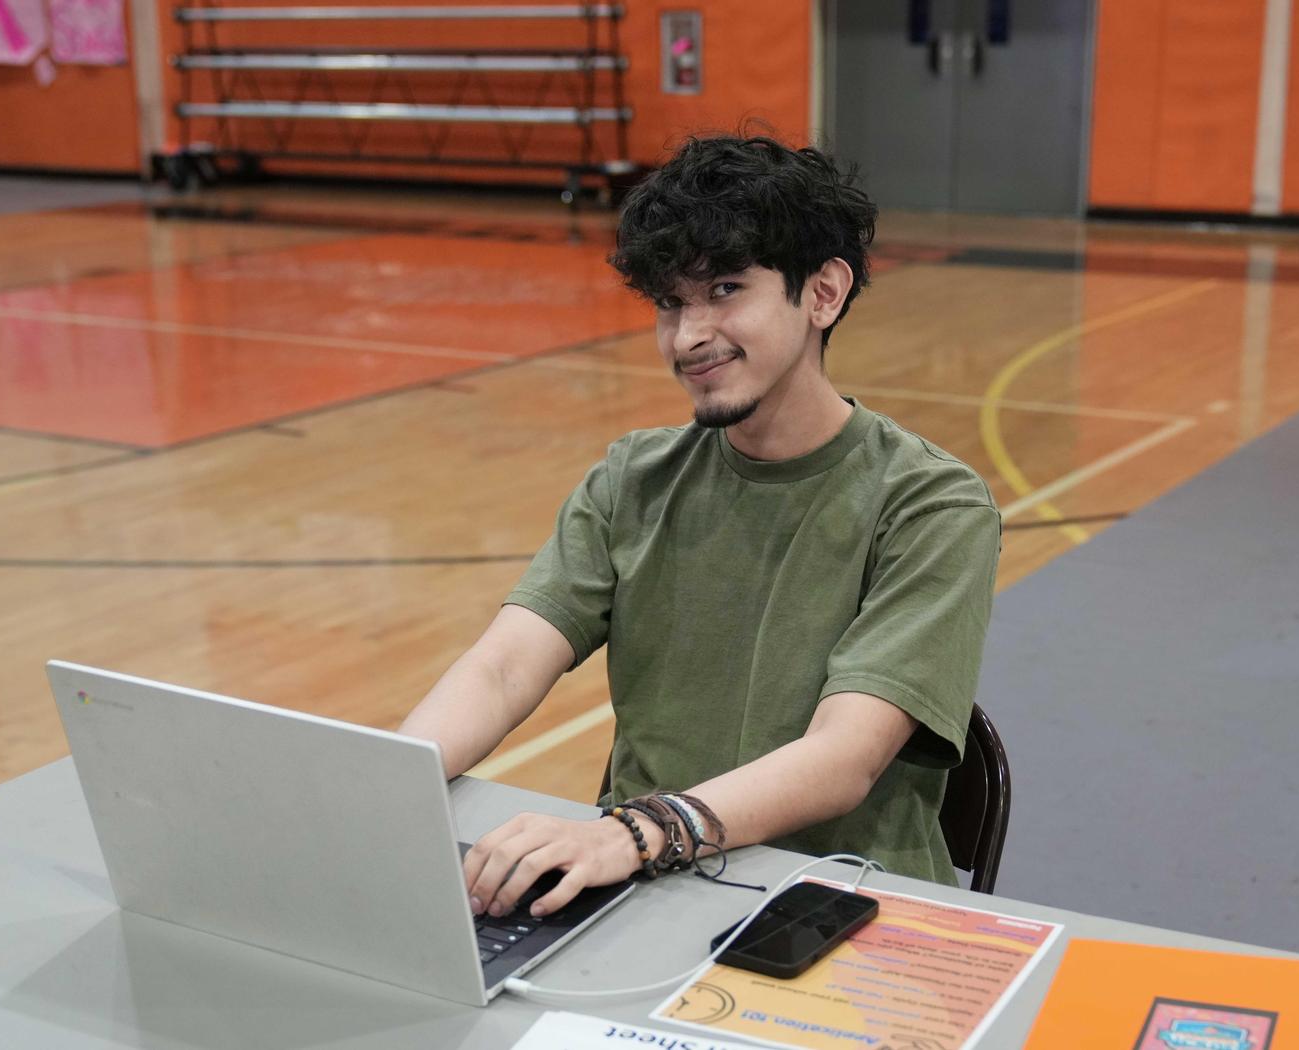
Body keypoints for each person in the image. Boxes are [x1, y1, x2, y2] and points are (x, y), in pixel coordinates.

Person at [398, 134, 1002, 921]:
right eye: (671, 303)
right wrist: (392, 785)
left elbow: (842, 758)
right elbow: (505, 666)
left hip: (838, 905)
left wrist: (634, 835)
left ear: (822, 293)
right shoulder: (632, 479)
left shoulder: (931, 506)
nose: (688, 336)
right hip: (646, 885)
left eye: (724, 289)